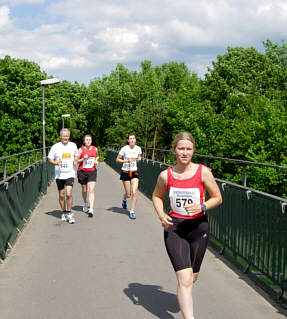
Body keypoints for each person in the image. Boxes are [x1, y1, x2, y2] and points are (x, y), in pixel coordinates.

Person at [152, 132, 222, 319]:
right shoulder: (165, 175)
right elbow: (156, 196)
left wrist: (202, 206)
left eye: (188, 149)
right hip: (175, 229)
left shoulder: (203, 172)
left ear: (193, 151)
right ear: (174, 150)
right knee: (184, 278)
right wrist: (161, 215)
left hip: (198, 228)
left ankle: (187, 288)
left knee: (192, 277)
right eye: (181, 148)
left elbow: (218, 198)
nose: (184, 152)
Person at [48, 128, 78, 224]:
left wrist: (75, 160)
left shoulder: (73, 145)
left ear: (69, 136)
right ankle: (64, 212)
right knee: (61, 195)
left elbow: (77, 155)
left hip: (70, 173)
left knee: (68, 194)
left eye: (67, 136)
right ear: (60, 136)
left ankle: (69, 213)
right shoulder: (55, 147)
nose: (65, 137)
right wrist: (56, 163)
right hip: (59, 174)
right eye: (63, 136)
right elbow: (49, 159)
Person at [116, 134, 142, 219]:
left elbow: (139, 157)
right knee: (128, 194)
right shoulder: (124, 149)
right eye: (130, 139)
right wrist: (126, 160)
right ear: (128, 140)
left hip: (134, 172)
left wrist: (139, 159)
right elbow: (117, 159)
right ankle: (124, 199)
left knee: (134, 192)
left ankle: (132, 211)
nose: (132, 140)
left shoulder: (138, 148)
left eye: (133, 138)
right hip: (125, 172)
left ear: (135, 140)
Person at [76, 134, 99, 217]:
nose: (88, 141)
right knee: (84, 189)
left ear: (91, 141)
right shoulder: (80, 150)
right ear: (84, 141)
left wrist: (96, 161)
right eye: (87, 140)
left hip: (92, 171)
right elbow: (76, 161)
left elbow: (97, 156)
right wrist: (83, 159)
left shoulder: (95, 149)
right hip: (82, 171)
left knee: (91, 190)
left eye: (89, 140)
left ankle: (91, 209)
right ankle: (85, 203)